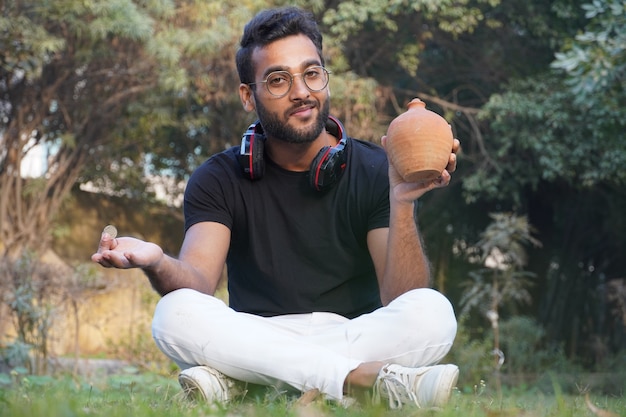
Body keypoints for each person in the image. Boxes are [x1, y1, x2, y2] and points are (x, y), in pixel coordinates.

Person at [92, 6, 461, 410]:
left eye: (312, 73)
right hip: (257, 331)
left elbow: (401, 298)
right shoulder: (218, 178)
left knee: (432, 311)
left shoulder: (375, 169)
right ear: (249, 95)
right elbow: (197, 284)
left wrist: (402, 201)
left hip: (348, 334)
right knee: (174, 312)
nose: (301, 91)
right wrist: (157, 261)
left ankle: (247, 380)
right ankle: (358, 379)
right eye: (279, 80)